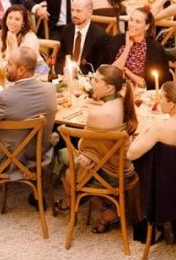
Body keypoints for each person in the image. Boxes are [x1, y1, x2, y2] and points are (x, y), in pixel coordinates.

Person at [0, 46, 57, 213]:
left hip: (9, 158)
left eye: (9, 64)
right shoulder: (50, 90)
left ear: (22, 70)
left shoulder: (4, 97)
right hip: (40, 154)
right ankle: (39, 196)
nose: (5, 67)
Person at [56, 65, 138, 229]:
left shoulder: (99, 114)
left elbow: (82, 146)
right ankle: (95, 206)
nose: (92, 84)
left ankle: (71, 200)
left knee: (63, 158)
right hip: (124, 166)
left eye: (96, 81)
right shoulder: (125, 104)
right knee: (75, 162)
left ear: (109, 88)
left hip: (109, 172)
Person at [108, 6, 170, 90]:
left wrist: (126, 71)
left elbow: (150, 84)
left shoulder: (155, 49)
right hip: (114, 89)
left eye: (138, 22)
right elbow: (109, 73)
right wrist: (127, 48)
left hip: (141, 94)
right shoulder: (118, 39)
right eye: (131, 20)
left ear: (147, 26)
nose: (132, 24)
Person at [58, 0, 112, 72]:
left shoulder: (100, 36)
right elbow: (60, 59)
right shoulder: (66, 31)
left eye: (78, 11)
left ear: (89, 13)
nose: (74, 15)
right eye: (72, 10)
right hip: (66, 76)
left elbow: (100, 67)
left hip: (88, 78)